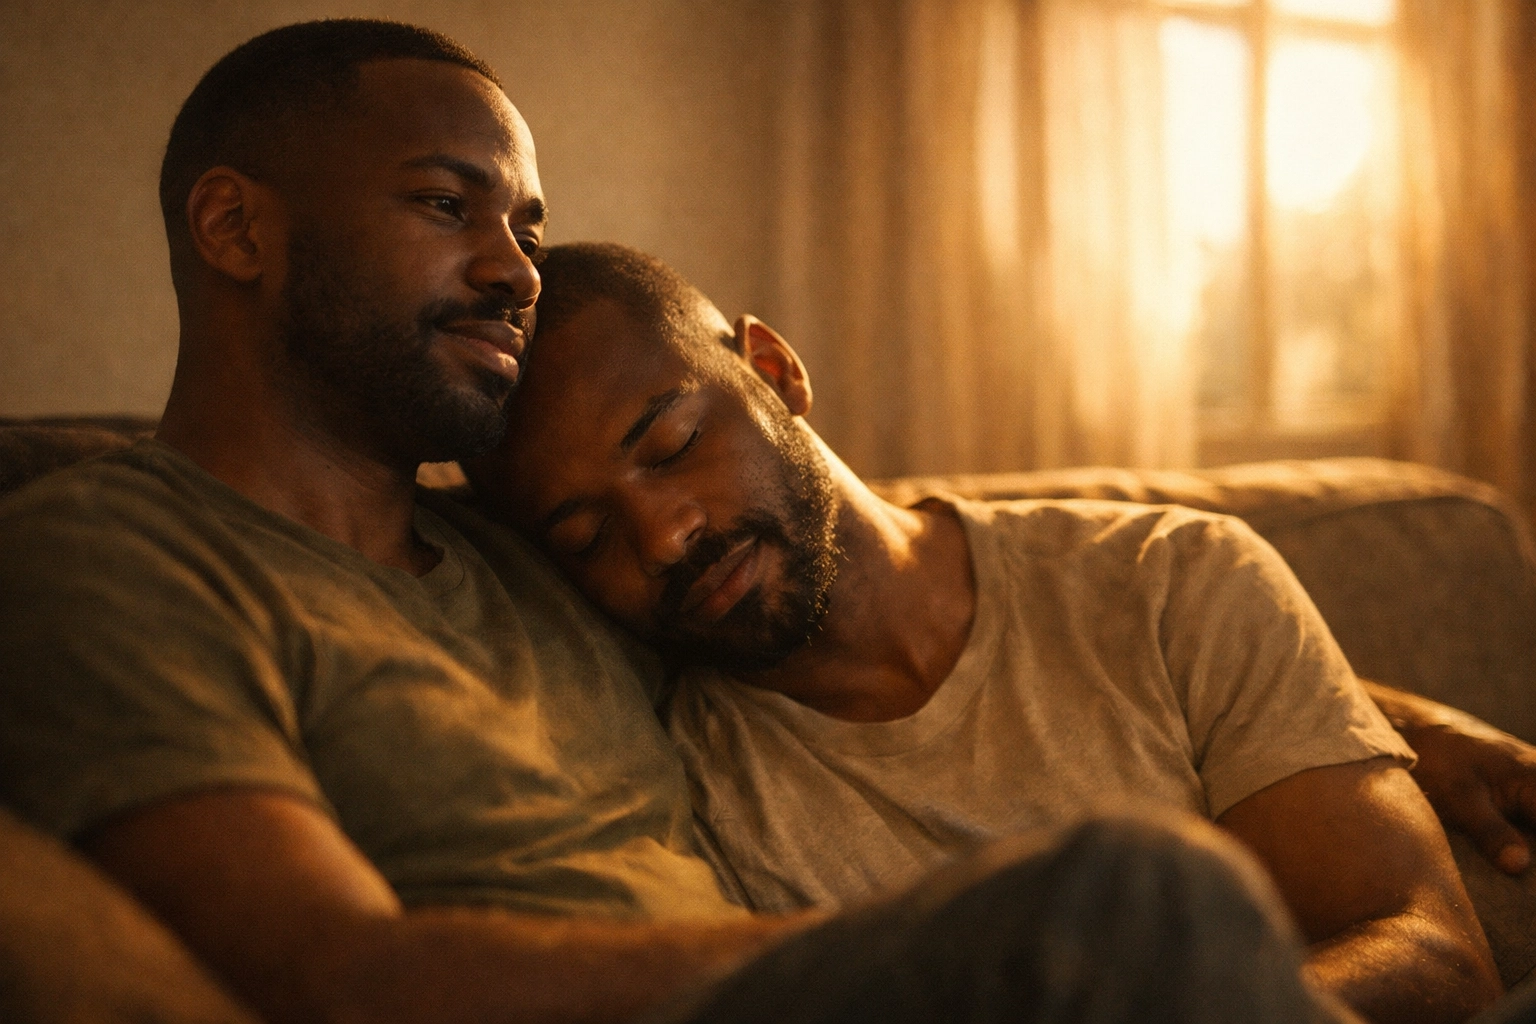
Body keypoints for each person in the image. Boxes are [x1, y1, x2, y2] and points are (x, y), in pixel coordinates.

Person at [0, 18, 1380, 1024]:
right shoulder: (110, 557)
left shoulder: (529, 556)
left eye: (527, 232)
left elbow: (842, 604)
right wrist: (918, 954)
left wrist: (1367, 711)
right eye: (443, 205)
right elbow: (325, 973)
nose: (510, 270)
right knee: (1135, 901)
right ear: (236, 230)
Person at [467, 242, 1523, 1024]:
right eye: (587, 532)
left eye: (674, 444)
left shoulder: (1169, 576)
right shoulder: (686, 789)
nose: (662, 536)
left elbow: (1433, 954)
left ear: (776, 371)